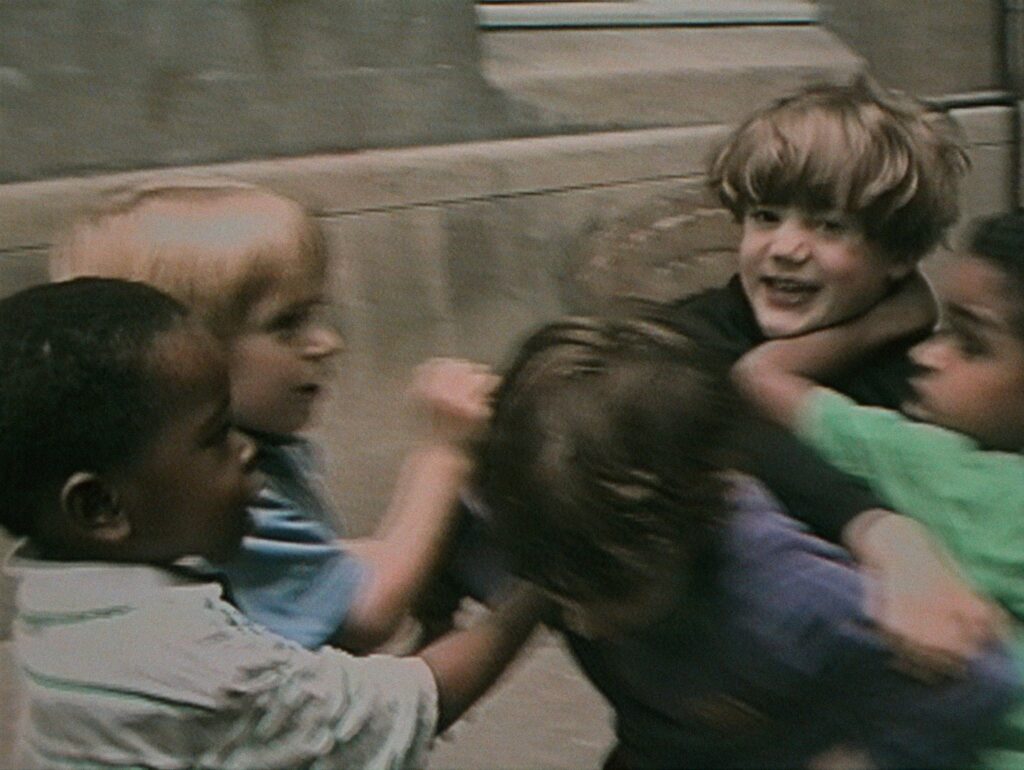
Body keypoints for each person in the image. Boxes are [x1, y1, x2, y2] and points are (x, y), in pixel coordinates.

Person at [438, 77, 996, 664]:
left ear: (900, 256)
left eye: (829, 226)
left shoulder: (918, 380)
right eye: (766, 216)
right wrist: (876, 527)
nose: (786, 248)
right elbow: (726, 427)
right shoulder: (683, 339)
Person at [1, 278, 543, 770]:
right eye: (216, 436)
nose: (246, 450)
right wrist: (539, 584)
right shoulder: (191, 666)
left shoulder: (58, 591)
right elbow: (411, 704)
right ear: (100, 507)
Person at [476, 315, 1017, 769]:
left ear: (688, 528)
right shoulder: (564, 520)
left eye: (607, 595)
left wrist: (865, 760)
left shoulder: (790, 597)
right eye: (563, 596)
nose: (583, 623)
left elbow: (984, 680)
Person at [49, 181, 493, 652]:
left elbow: (320, 562)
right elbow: (364, 614)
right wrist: (444, 454)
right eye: (287, 323)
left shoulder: (240, 453)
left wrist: (416, 544)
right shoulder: (212, 491)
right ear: (182, 359)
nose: (327, 343)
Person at [732, 209, 1024, 768]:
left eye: (970, 342)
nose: (925, 354)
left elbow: (760, 378)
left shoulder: (947, 473)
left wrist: (901, 314)